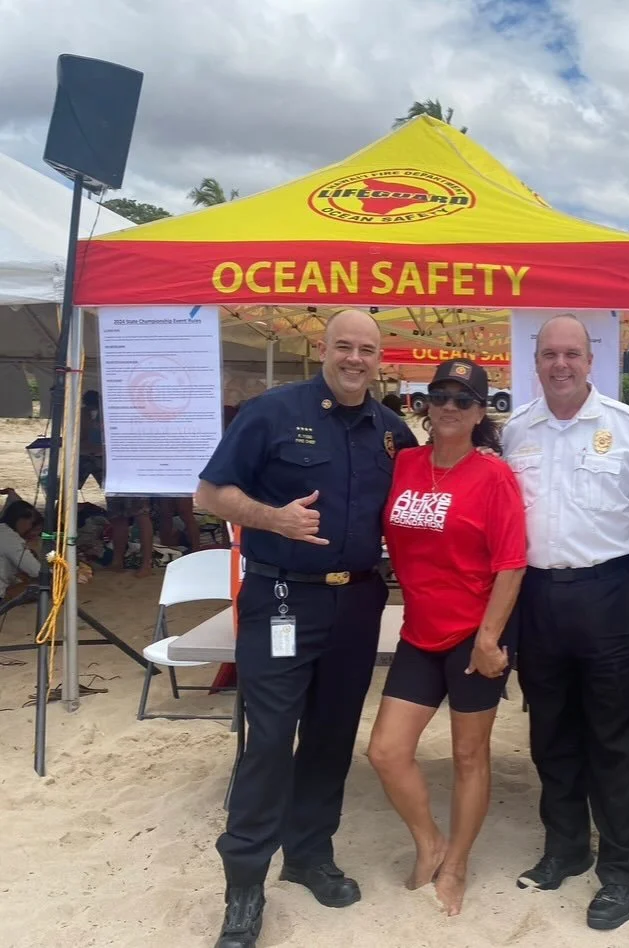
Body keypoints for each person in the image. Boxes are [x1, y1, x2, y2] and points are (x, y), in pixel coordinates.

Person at [194, 309, 418, 948]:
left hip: (357, 605)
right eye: (344, 347)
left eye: (367, 350)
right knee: (268, 739)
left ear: (381, 359)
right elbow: (210, 494)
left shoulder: (392, 431)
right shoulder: (272, 411)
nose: (355, 359)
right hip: (282, 599)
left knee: (330, 735)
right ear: (324, 349)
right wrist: (273, 518)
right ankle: (244, 885)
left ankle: (311, 854)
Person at [502, 314, 629, 931]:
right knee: (552, 736)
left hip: (612, 595)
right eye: (550, 354)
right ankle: (565, 847)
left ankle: (624, 868)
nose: (561, 365)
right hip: (537, 600)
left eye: (572, 354)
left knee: (616, 740)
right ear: (537, 362)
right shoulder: (515, 432)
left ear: (591, 360)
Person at [368, 359, 527, 917]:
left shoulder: (494, 476)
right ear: (425, 405)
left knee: (467, 756)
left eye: (464, 400)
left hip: (473, 637)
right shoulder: (405, 463)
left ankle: (456, 864)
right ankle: (429, 841)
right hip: (419, 632)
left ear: (481, 412)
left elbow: (511, 564)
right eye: (441, 397)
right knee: (386, 752)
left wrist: (489, 638)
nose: (451, 408)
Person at [0, 500, 42, 600]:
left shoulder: (4, 532)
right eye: (31, 523)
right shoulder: (10, 538)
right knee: (45, 583)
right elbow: (36, 571)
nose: (30, 528)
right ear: (21, 520)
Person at [78, 389, 105, 490]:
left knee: (69, 488)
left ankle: (62, 505)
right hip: (98, 454)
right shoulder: (105, 414)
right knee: (108, 487)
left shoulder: (78, 414)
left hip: (83, 454)